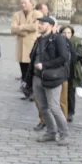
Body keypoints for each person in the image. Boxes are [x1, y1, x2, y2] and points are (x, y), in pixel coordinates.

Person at [28, 16, 70, 145]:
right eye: (39, 23)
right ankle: (51, 133)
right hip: (37, 77)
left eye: (43, 23)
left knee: (54, 107)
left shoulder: (58, 39)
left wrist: (45, 65)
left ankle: (64, 134)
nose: (39, 25)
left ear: (51, 26)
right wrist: (27, 78)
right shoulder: (39, 39)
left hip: (52, 78)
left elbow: (63, 58)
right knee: (43, 107)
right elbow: (32, 57)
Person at [11, 0, 42, 100]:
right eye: (22, 3)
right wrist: (23, 32)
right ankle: (27, 92)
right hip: (21, 47)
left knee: (32, 71)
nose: (22, 4)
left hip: (32, 46)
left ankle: (34, 93)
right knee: (24, 71)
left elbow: (36, 26)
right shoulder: (17, 14)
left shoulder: (37, 13)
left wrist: (22, 27)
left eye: (25, 2)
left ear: (32, 4)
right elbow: (13, 29)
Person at [60, 26, 82, 122]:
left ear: (72, 33)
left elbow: (80, 55)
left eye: (69, 33)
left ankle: (70, 112)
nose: (66, 35)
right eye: (64, 33)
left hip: (72, 69)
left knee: (70, 92)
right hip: (60, 69)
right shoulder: (58, 41)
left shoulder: (76, 41)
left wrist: (70, 55)